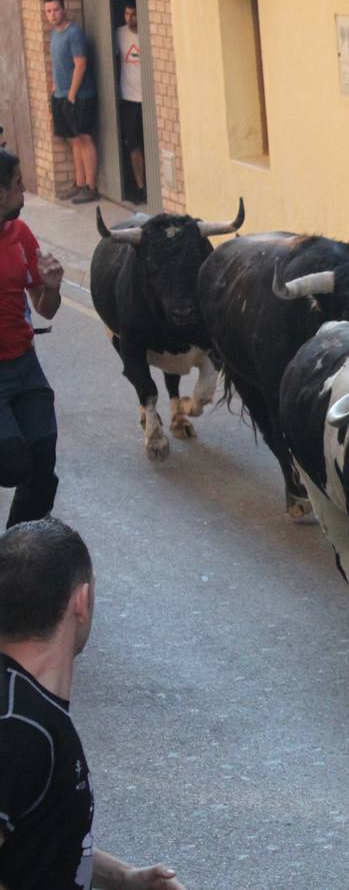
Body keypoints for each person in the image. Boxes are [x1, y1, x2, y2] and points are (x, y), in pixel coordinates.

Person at [0, 518, 186, 889]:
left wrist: (122, 878)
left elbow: (36, 831)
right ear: (81, 601)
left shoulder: (27, 706)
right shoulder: (18, 728)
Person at [0, 148, 62, 529]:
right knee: (12, 462)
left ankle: (15, 556)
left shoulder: (21, 234)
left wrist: (52, 287)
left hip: (25, 366)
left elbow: (46, 307)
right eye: (18, 187)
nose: (24, 195)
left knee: (42, 462)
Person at [43, 0, 98, 205]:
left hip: (79, 97)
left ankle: (91, 187)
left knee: (84, 138)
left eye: (55, 10)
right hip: (60, 95)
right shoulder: (54, 35)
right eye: (48, 11)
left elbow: (80, 64)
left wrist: (72, 95)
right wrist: (56, 89)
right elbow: (59, 65)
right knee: (73, 140)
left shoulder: (74, 33)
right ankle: (79, 183)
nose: (52, 15)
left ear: (63, 10)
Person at [115, 2, 145, 205]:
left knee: (148, 143)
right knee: (133, 144)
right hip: (129, 99)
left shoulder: (148, 34)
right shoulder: (119, 34)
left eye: (133, 14)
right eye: (126, 14)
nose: (130, 18)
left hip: (148, 100)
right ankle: (140, 187)